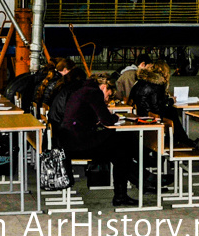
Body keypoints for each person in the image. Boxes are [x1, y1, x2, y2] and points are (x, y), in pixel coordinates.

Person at [59, 73, 140, 207]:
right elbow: (107, 120)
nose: (107, 98)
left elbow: (87, 116)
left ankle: (132, 184)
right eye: (108, 94)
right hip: (79, 144)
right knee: (124, 144)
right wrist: (116, 117)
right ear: (104, 87)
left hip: (70, 140)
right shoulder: (94, 93)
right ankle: (125, 191)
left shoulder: (82, 90)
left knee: (121, 147)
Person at [128, 60, 193, 148]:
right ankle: (183, 140)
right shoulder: (156, 85)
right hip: (149, 117)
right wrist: (170, 101)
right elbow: (157, 107)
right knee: (172, 112)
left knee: (171, 112)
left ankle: (183, 139)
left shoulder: (140, 82)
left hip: (140, 113)